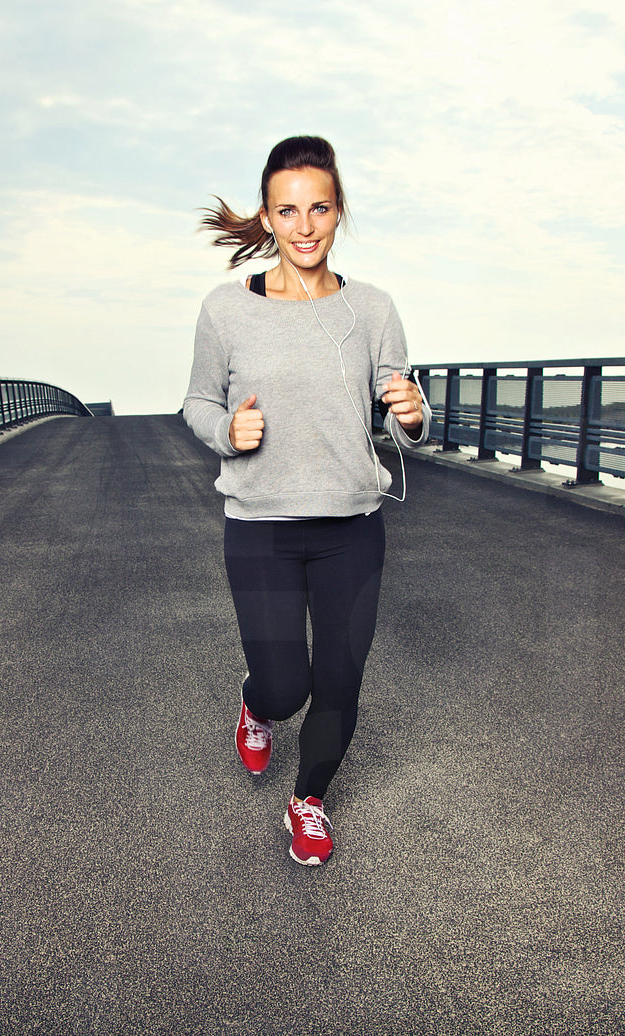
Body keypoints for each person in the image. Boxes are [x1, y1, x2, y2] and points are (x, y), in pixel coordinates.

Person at [182, 135, 432, 866]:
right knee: (285, 684)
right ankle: (257, 706)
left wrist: (414, 414)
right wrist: (227, 432)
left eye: (319, 208)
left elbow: (402, 414)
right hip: (260, 527)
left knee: (340, 682)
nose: (305, 226)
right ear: (267, 217)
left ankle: (309, 800)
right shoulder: (226, 310)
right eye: (287, 211)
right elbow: (197, 403)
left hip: (351, 527)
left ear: (338, 210)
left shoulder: (373, 309)